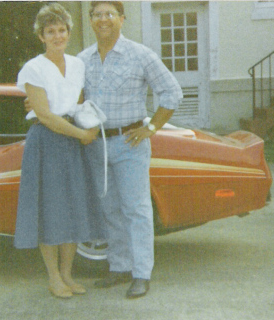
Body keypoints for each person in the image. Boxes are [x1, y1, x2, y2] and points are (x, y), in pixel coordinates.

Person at [78, 1, 183, 299]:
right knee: (110, 208)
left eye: (109, 14)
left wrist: (150, 128)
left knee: (136, 209)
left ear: (121, 19)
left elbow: (171, 92)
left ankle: (141, 274)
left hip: (129, 143)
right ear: (91, 20)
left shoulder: (140, 54)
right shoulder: (82, 59)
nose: (103, 20)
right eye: (97, 14)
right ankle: (119, 267)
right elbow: (69, 96)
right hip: (97, 145)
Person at [13, 3, 105, 299]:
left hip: (72, 140)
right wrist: (82, 135)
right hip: (47, 141)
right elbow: (46, 116)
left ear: (69, 32)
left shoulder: (78, 64)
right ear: (41, 36)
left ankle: (67, 274)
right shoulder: (33, 68)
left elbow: (76, 104)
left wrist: (87, 128)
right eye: (50, 31)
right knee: (50, 209)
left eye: (61, 30)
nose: (57, 36)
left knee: (74, 208)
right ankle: (53, 277)